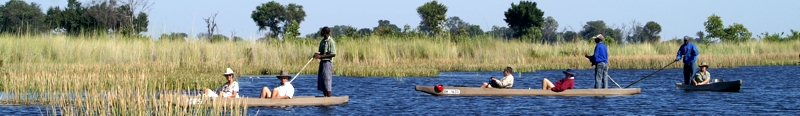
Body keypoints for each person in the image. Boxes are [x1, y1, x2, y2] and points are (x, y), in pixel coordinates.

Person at [314, 26, 337, 97]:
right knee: (322, 80)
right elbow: (321, 51)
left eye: (322, 31)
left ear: (325, 33)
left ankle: (328, 98)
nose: (321, 33)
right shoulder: (322, 41)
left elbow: (333, 54)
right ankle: (324, 97)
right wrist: (317, 54)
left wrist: (321, 56)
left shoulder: (331, 42)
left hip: (327, 63)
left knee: (327, 80)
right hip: (322, 63)